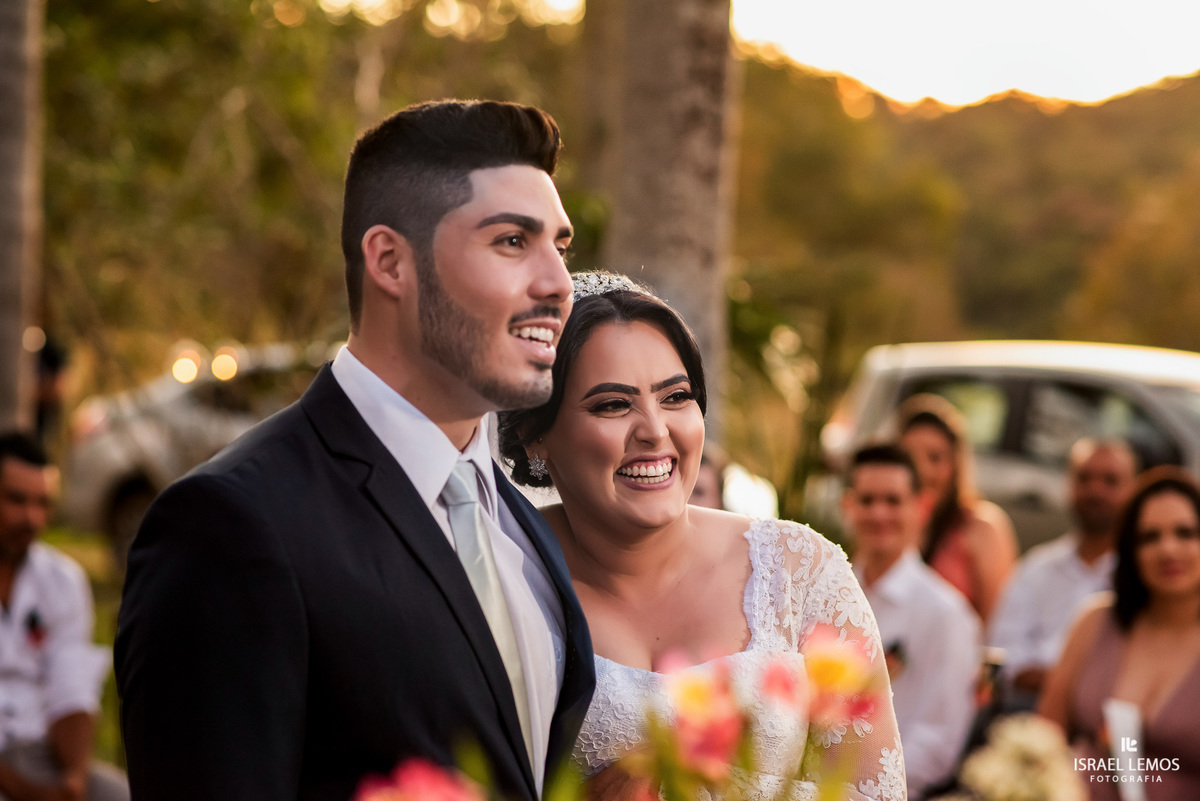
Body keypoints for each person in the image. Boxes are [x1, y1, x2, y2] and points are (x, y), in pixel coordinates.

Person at [115, 100, 595, 801]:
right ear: (390, 261)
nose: (558, 283)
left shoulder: (524, 525)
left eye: (561, 244)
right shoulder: (232, 526)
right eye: (512, 242)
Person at [499, 272, 906, 801]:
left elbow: (876, 791)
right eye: (612, 405)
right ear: (536, 436)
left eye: (675, 396)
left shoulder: (799, 572)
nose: (654, 430)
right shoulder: (499, 577)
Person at [1040, 468, 1200, 799]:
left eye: (1185, 533)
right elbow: (1043, 739)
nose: (1168, 549)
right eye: (1149, 537)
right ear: (1130, 551)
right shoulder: (1095, 621)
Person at [844, 444, 979, 800]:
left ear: (922, 506)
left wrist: (861, 788)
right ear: (848, 505)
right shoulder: (822, 595)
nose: (878, 513)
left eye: (893, 501)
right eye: (867, 500)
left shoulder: (947, 614)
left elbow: (939, 739)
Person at [0, 431, 129, 801]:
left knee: (121, 794)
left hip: (42, 753)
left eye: (43, 503)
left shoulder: (62, 581)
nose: (31, 517)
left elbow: (71, 689)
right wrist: (24, 791)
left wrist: (72, 779)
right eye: (16, 500)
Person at [989, 438, 1138, 711]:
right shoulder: (1035, 568)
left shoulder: (1141, 577)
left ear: (1133, 490)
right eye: (1084, 478)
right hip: (1024, 708)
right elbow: (1004, 653)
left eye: (1110, 481)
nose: (1095, 490)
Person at [897, 394, 1017, 623]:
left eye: (935, 458)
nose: (922, 471)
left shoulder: (982, 527)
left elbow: (999, 624)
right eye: (910, 458)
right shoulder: (888, 525)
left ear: (955, 465)